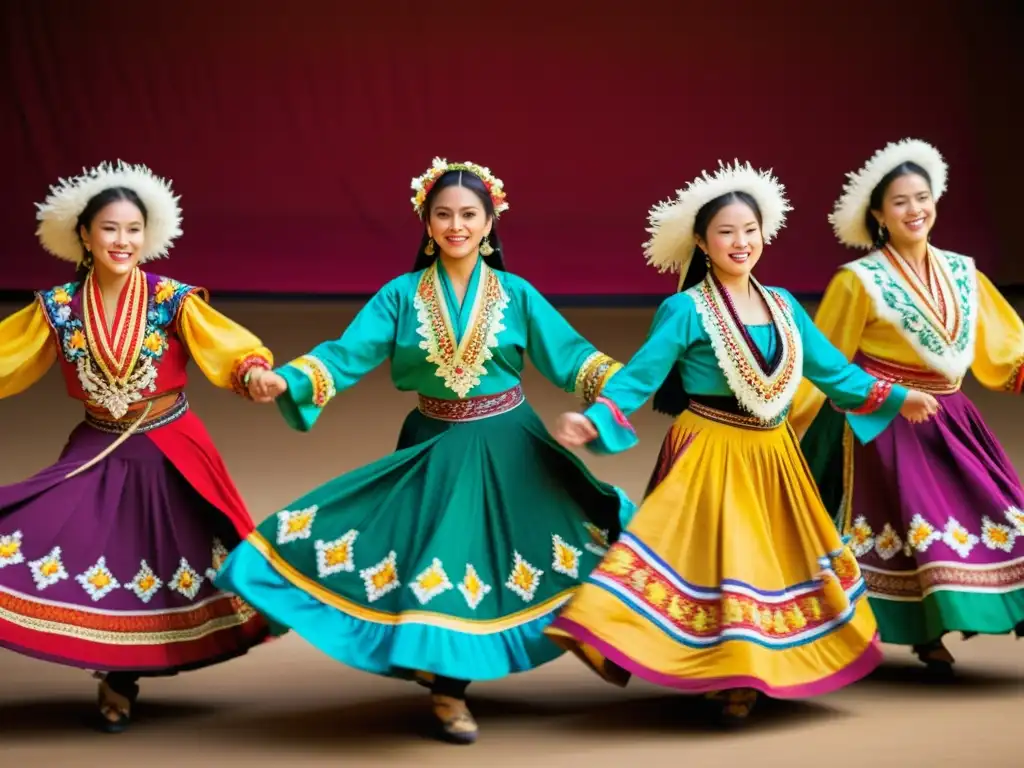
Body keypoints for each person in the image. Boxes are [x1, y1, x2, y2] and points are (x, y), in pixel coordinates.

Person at [214, 158, 634, 745]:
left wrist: (624, 394)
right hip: (436, 446)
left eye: (469, 215)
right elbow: (347, 352)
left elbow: (575, 358)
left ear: (490, 224)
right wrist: (292, 378)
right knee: (447, 564)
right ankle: (448, 690)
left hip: (513, 443)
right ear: (426, 224)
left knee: (574, 536)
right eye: (443, 215)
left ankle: (585, 630)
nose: (456, 225)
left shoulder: (516, 294)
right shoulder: (400, 296)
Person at [544, 160, 940, 724]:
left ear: (764, 235)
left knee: (767, 563)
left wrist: (899, 397)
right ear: (703, 243)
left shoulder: (784, 306)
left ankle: (752, 669)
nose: (740, 242)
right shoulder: (685, 309)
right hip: (709, 448)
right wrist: (599, 418)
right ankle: (719, 672)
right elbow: (640, 378)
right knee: (719, 562)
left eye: (749, 231)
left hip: (774, 455)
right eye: (726, 232)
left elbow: (834, 374)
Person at [0, 161, 278, 732]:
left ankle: (120, 679)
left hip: (171, 445)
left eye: (132, 230)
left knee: (158, 555)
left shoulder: (173, 300)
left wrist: (253, 373)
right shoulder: (56, 307)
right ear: (84, 235)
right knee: (72, 540)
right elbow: (9, 358)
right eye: (109, 229)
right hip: (99, 445)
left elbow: (227, 349)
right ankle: (112, 670)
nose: (122, 241)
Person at [790, 138, 1024, 676]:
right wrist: (784, 415)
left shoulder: (964, 273)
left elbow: (1002, 353)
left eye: (922, 197)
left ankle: (992, 608)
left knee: (991, 510)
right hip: (882, 422)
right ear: (877, 214)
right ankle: (920, 632)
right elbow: (825, 360)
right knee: (913, 525)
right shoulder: (859, 281)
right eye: (899, 201)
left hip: (950, 419)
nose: (914, 210)